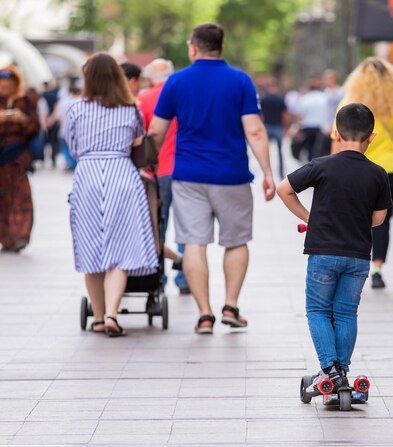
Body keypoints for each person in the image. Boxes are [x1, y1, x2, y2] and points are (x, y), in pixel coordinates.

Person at [148, 23, 275, 334]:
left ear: (193, 48)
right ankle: (230, 305)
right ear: (222, 47)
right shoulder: (240, 81)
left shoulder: (176, 82)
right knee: (236, 241)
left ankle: (204, 314)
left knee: (193, 242)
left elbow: (156, 132)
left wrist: (147, 167)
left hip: (189, 176)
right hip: (231, 175)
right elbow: (255, 130)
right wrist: (269, 172)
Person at [276, 103, 391, 392]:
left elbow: (283, 189)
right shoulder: (378, 173)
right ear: (371, 137)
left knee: (317, 309)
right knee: (345, 313)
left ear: (335, 133)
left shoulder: (321, 165)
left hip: (323, 253)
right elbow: (378, 219)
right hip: (358, 256)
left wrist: (309, 217)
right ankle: (342, 371)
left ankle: (330, 371)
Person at [64, 53, 158, 337]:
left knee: (91, 248)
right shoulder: (130, 109)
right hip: (122, 176)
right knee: (120, 249)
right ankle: (112, 315)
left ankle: (96, 316)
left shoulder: (75, 109)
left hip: (88, 176)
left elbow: (73, 149)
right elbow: (136, 143)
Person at [333, 57, 393, 289]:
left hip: (357, 170)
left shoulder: (348, 103)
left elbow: (337, 141)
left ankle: (354, 267)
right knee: (383, 221)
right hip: (390, 169)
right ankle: (377, 268)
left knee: (353, 219)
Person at [138, 58, 190, 294]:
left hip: (157, 173)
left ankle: (159, 277)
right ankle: (186, 276)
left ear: (149, 79)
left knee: (158, 225)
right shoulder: (186, 96)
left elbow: (144, 138)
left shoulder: (144, 99)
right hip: (188, 171)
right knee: (188, 227)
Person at [0, 65, 40, 253]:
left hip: (17, 158)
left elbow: (35, 126)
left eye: (8, 86)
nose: (5, 89)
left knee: (20, 197)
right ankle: (6, 238)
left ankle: (20, 236)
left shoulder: (25, 101)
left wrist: (22, 120)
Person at [260, 78, 288, 179]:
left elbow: (260, 114)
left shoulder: (263, 98)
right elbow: (285, 115)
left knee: (265, 150)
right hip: (277, 127)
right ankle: (280, 172)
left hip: (266, 127)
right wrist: (285, 128)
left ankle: (266, 172)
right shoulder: (280, 98)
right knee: (280, 151)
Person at [295, 76, 327, 161]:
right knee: (319, 149)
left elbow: (300, 115)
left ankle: (311, 164)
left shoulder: (305, 98)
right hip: (320, 126)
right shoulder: (324, 97)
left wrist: (298, 127)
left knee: (309, 148)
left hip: (308, 126)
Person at [41, 81, 60, 167]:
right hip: (54, 121)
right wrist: (52, 120)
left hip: (45, 122)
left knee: (45, 142)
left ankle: (44, 159)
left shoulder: (43, 95)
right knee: (54, 142)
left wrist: (46, 122)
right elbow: (57, 108)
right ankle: (53, 160)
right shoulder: (55, 94)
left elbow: (42, 110)